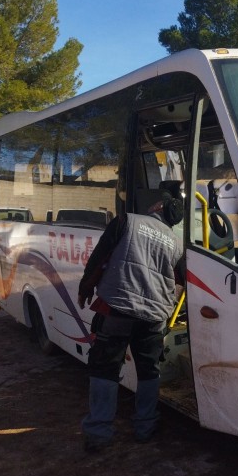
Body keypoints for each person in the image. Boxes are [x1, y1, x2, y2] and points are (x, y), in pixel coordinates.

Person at [77, 193, 184, 452]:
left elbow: (99, 258)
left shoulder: (127, 221)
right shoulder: (177, 243)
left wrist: (85, 288)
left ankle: (99, 434)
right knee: (149, 370)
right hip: (154, 317)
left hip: (118, 309)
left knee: (105, 368)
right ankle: (145, 427)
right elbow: (179, 282)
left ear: (158, 206)